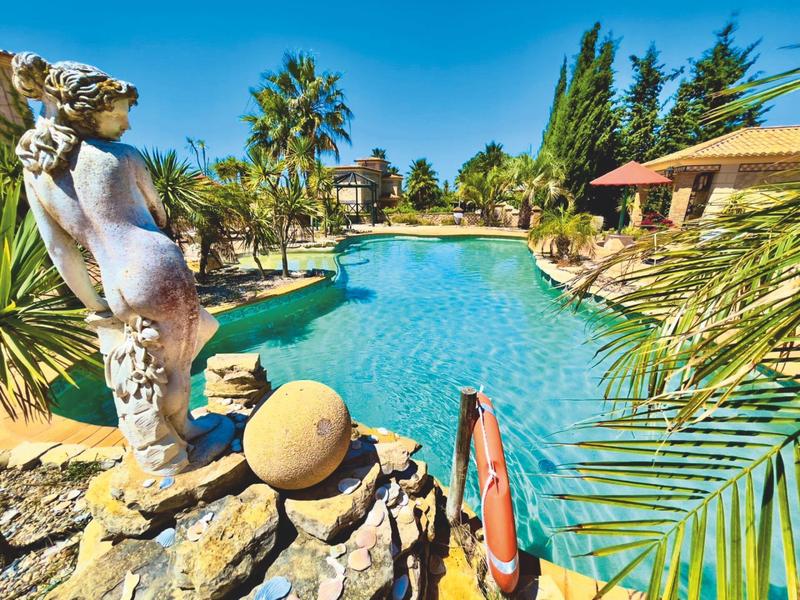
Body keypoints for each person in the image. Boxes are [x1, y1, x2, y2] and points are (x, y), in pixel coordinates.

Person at [13, 52, 220, 473]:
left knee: (193, 335)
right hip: (156, 267)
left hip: (116, 282)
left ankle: (170, 435)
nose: (127, 124)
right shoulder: (123, 156)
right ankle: (174, 450)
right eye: (119, 114)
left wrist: (95, 305)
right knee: (175, 366)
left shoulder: (37, 176)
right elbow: (158, 214)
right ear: (88, 113)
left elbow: (60, 251)